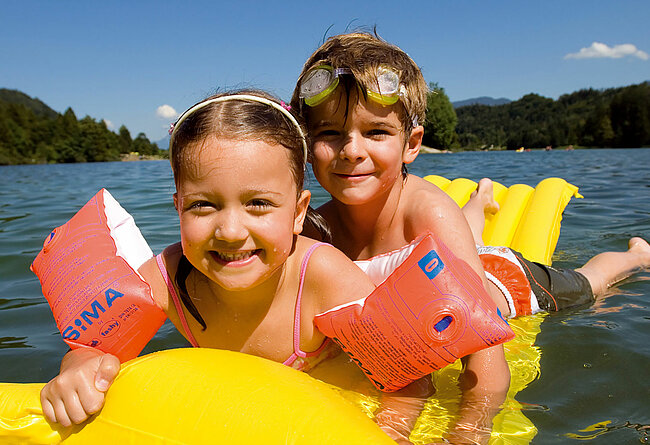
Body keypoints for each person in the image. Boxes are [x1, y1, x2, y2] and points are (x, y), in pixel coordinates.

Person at [39, 90, 379, 428]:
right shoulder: (168, 278)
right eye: (202, 205)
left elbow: (408, 379)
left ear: (298, 212)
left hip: (332, 414)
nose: (230, 232)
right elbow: (97, 346)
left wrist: (392, 428)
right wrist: (79, 367)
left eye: (258, 203)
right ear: (178, 208)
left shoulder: (323, 277)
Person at [290, 32, 511, 444]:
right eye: (330, 133)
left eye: (375, 132)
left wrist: (469, 432)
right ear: (307, 145)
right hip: (410, 298)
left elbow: (487, 350)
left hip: (508, 285)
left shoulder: (429, 213)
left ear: (411, 144)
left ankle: (630, 257)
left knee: (585, 282)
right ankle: (480, 202)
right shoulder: (315, 228)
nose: (351, 150)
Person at [464, 178, 650, 317]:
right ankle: (480, 198)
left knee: (593, 280)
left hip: (512, 284)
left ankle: (639, 255)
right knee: (467, 238)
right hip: (467, 260)